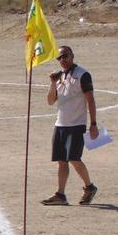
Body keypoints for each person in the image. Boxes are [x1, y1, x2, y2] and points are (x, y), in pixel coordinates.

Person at [42, 45, 99, 206]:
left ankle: (89, 187)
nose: (63, 60)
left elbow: (91, 100)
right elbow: (50, 101)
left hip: (77, 124)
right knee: (61, 160)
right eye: (59, 58)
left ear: (72, 55)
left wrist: (93, 124)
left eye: (65, 56)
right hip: (60, 124)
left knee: (74, 158)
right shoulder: (59, 77)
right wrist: (52, 83)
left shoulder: (83, 75)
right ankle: (60, 194)